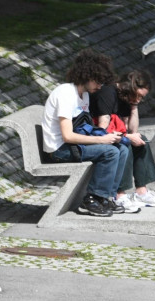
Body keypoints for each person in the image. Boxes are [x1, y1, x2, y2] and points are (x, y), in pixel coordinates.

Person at [41, 48, 129, 218]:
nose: (100, 86)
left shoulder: (85, 96)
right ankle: (90, 199)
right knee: (110, 152)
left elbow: (82, 128)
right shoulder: (66, 94)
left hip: (73, 145)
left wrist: (106, 137)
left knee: (122, 148)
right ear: (86, 75)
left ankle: (105, 197)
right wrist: (102, 140)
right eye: (97, 81)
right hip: (59, 150)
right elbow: (67, 136)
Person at [90, 70, 155, 211]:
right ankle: (118, 195)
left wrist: (134, 106)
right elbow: (102, 129)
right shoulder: (108, 93)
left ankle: (141, 192)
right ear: (129, 87)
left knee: (140, 139)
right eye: (137, 95)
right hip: (96, 136)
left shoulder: (127, 98)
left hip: (112, 135)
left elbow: (132, 130)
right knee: (126, 144)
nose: (138, 99)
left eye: (141, 98)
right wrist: (127, 137)